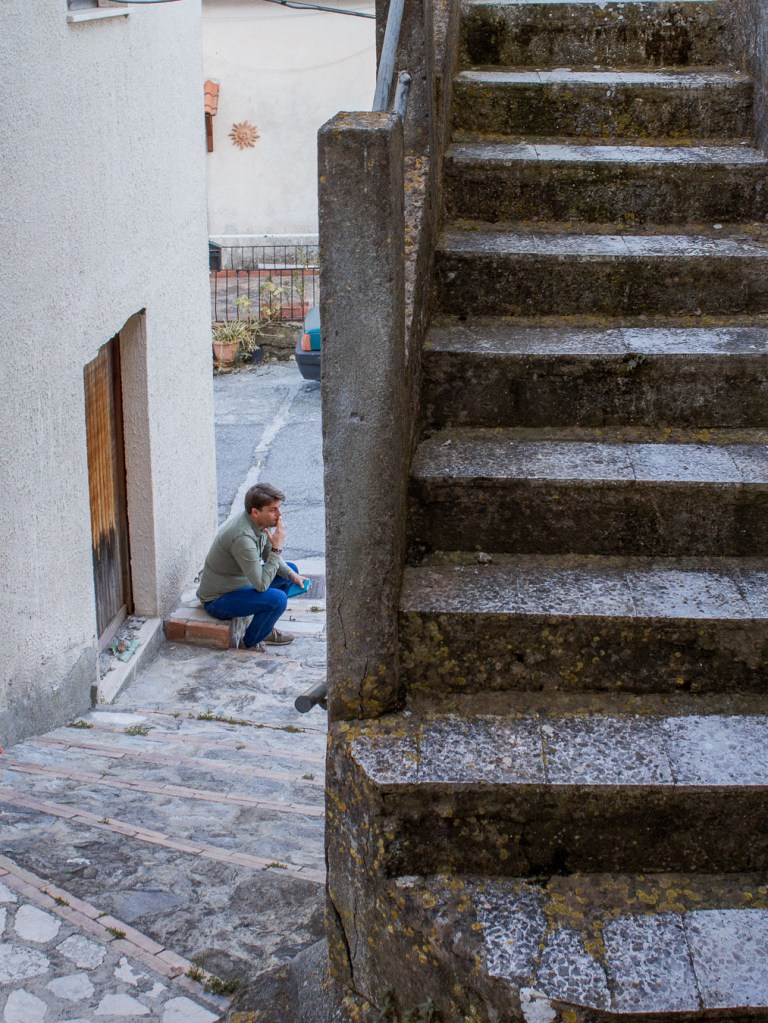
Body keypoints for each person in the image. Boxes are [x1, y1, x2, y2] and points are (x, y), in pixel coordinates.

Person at [197, 483, 310, 652]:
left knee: (289, 571)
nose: (280, 514)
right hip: (218, 600)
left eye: (279, 508)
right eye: (273, 510)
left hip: (241, 585)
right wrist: (277, 548)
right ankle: (250, 641)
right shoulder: (242, 538)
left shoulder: (258, 524)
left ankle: (264, 626)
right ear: (255, 512)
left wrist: (292, 575)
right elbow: (261, 585)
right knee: (277, 600)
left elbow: (267, 555)